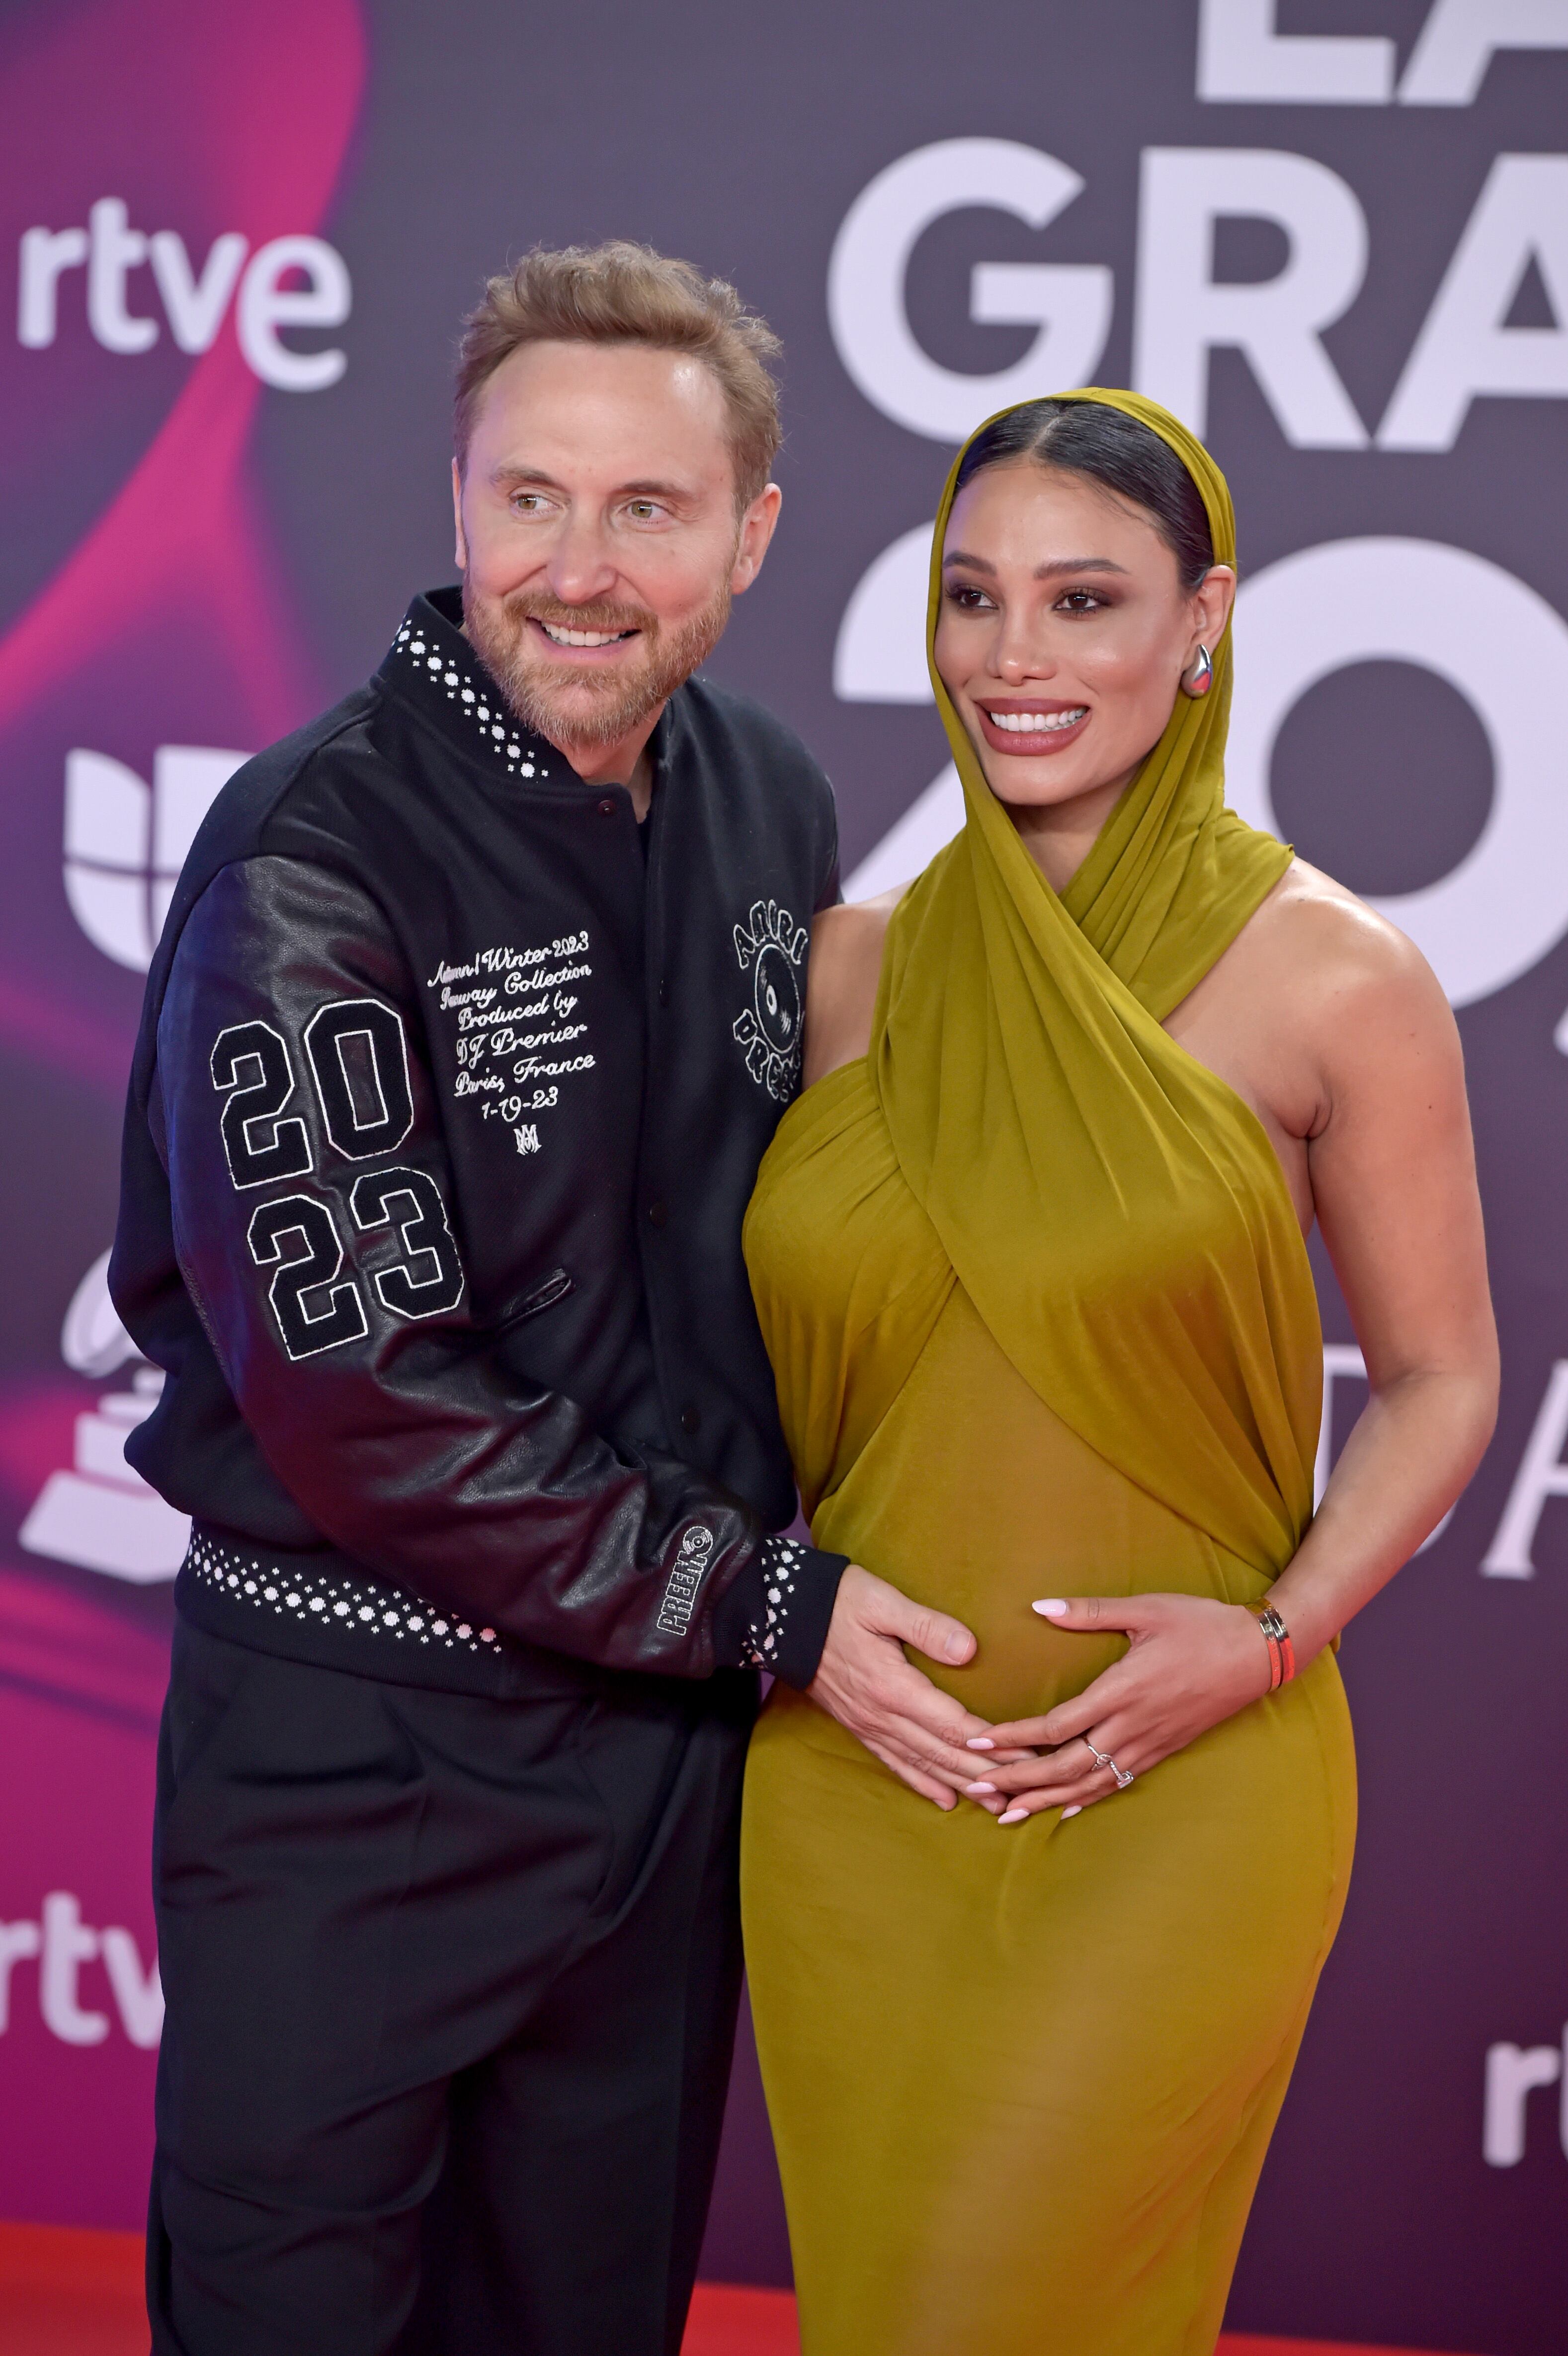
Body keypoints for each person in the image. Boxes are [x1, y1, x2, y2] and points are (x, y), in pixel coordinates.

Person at [108, 241, 986, 2356]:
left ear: (754, 534)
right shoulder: (313, 857)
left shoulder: (771, 798)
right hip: (355, 1769)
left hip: (662, 1788)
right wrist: (767, 1606)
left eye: (648, 511)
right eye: (531, 501)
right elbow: (360, 1395)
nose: (577, 573)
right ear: (459, 504)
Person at [740, 390, 1499, 2356]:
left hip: (1182, 1786)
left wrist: (1271, 1636)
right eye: (973, 597)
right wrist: (788, 1618)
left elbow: (1442, 1378)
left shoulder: (1341, 979)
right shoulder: (851, 972)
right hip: (856, 1778)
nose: (1014, 658)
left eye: (1087, 601)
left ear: (1206, 617)